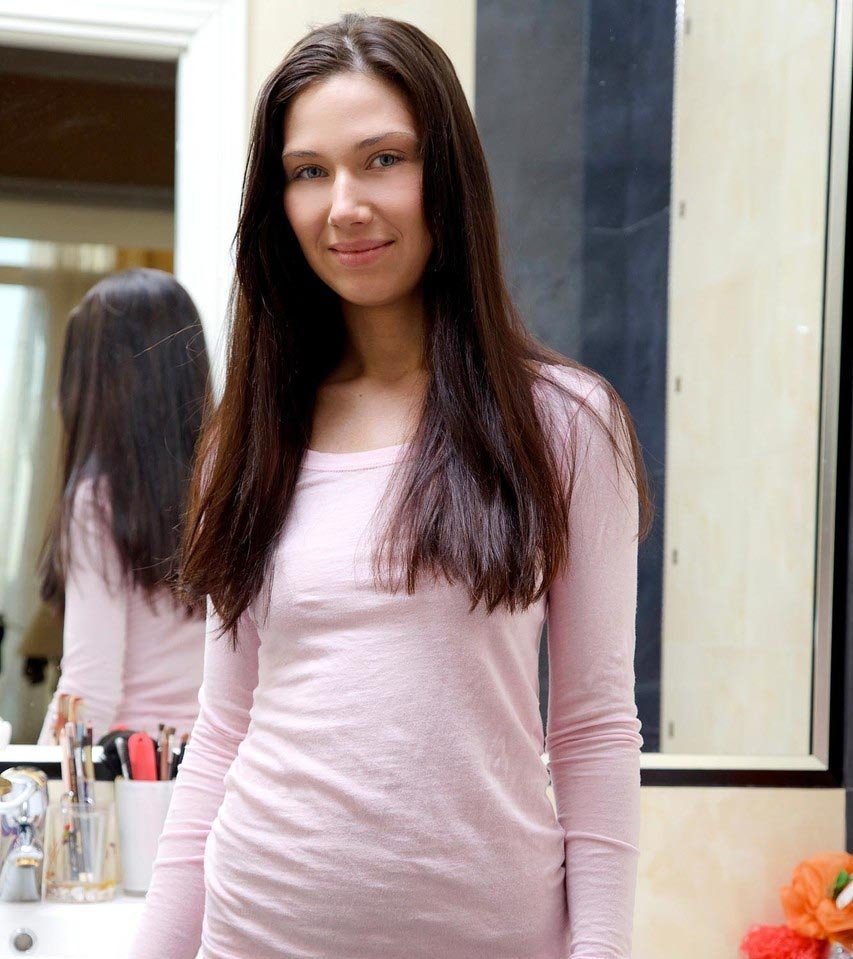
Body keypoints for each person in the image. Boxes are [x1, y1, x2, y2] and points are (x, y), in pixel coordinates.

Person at [129, 13, 653, 959]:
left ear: (445, 173)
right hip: (253, 937)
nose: (344, 206)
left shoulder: (565, 424)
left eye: (383, 160)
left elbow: (593, 729)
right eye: (308, 171)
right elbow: (223, 732)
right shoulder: (249, 438)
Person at [37, 268, 210, 744]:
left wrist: (31, 773)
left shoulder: (100, 498)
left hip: (130, 767)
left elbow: (88, 691)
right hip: (213, 761)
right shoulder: (228, 483)